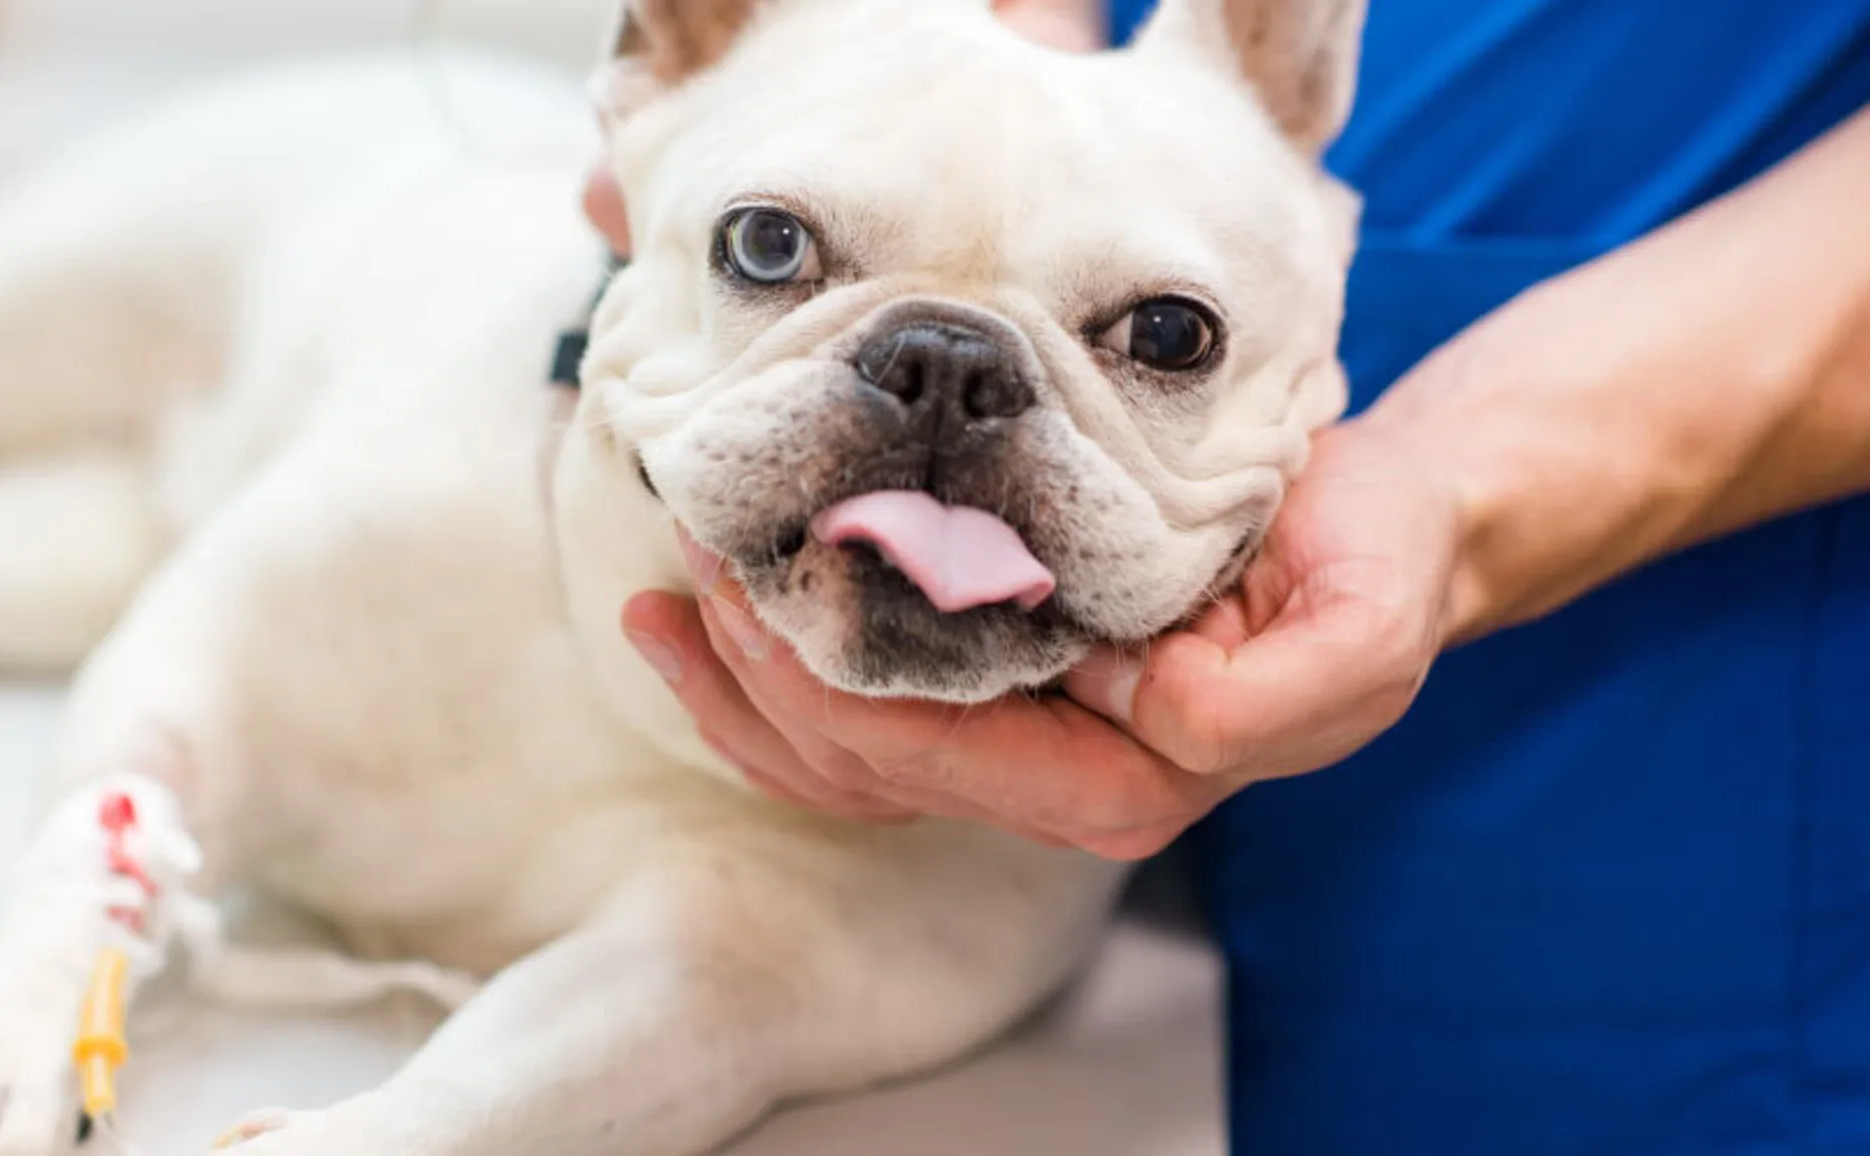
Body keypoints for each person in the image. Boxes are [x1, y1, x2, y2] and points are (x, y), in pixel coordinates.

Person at [589, 0, 1870, 1152]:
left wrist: (1462, 487)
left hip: (1678, 687)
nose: (942, 406)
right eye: (774, 248)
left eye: (1158, 334)